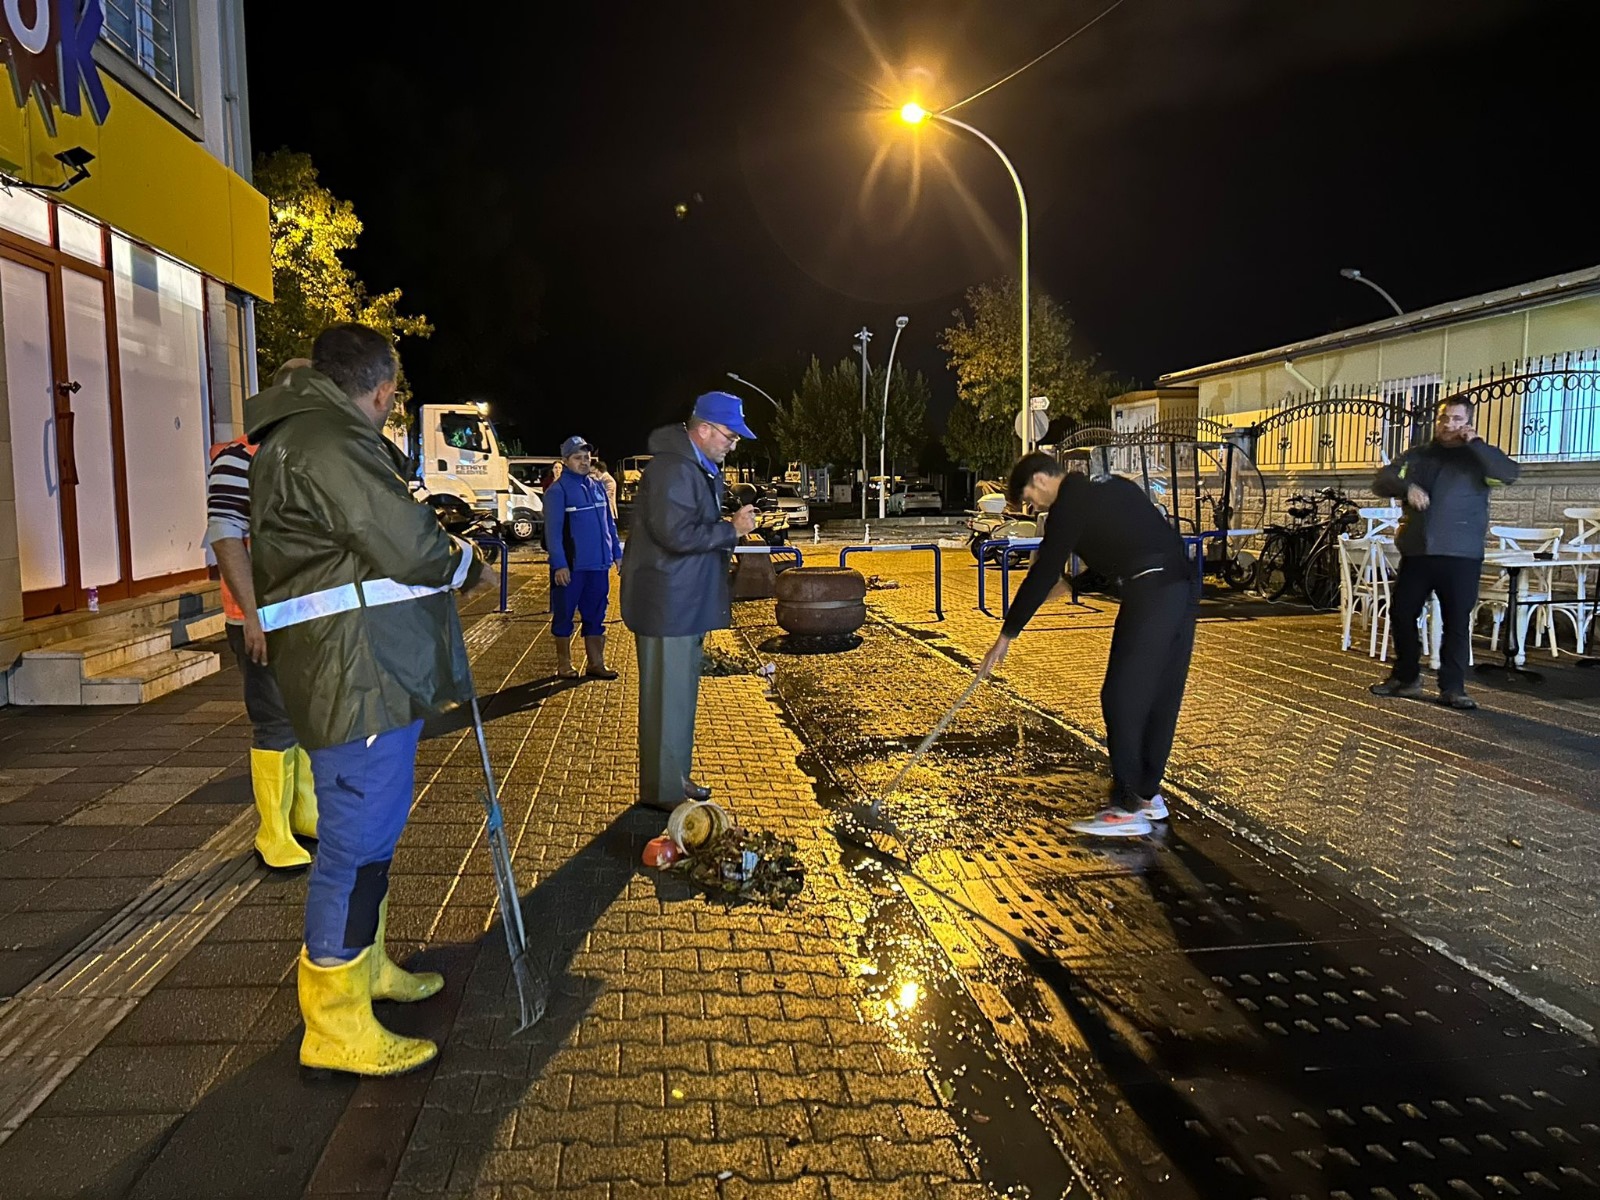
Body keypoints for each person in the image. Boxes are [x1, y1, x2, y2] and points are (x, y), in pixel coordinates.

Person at [247, 323, 486, 1077]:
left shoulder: (301, 436)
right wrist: (465, 563)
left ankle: (367, 966)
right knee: (353, 846)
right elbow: (412, 545)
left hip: (359, 670)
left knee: (370, 835)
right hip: (355, 676)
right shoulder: (329, 441)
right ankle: (336, 1019)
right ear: (381, 390)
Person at [977, 453, 1196, 837]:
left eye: (1030, 495)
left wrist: (1006, 635)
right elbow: (1122, 551)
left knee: (1120, 696)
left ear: (1042, 478)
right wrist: (1075, 585)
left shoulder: (1069, 505)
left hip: (1151, 591)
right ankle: (1147, 796)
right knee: (1161, 695)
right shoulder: (1108, 487)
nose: (1033, 504)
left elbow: (1043, 572)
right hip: (1181, 587)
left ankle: (1128, 806)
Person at [206, 357, 321, 870]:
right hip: (263, 618)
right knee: (275, 721)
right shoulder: (239, 457)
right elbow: (227, 537)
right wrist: (253, 616)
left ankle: (304, 814)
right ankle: (272, 831)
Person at [620, 392, 758, 811]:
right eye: (730, 437)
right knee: (668, 699)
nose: (732, 445)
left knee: (676, 700)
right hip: (668, 603)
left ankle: (673, 780)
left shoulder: (692, 466)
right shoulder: (674, 470)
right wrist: (730, 530)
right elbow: (676, 535)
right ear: (704, 430)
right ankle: (664, 791)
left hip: (678, 600)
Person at [1370, 396, 1519, 710]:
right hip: (1419, 551)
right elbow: (1383, 478)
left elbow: (1507, 473)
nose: (1448, 425)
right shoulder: (1419, 455)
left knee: (1456, 621)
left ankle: (1453, 687)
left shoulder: (1478, 457)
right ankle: (1406, 678)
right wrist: (1406, 486)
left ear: (1467, 422)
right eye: (1444, 419)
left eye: (1456, 419)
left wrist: (1476, 443)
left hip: (1461, 553)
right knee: (1401, 612)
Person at [544, 436, 623, 679]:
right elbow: (553, 533)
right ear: (565, 461)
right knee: (564, 614)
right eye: (577, 458)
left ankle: (596, 663)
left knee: (596, 613)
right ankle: (564, 664)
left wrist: (617, 554)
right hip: (572, 567)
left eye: (586, 457)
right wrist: (559, 565)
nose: (584, 461)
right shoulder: (557, 492)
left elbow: (609, 524)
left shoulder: (597, 486)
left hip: (598, 566)